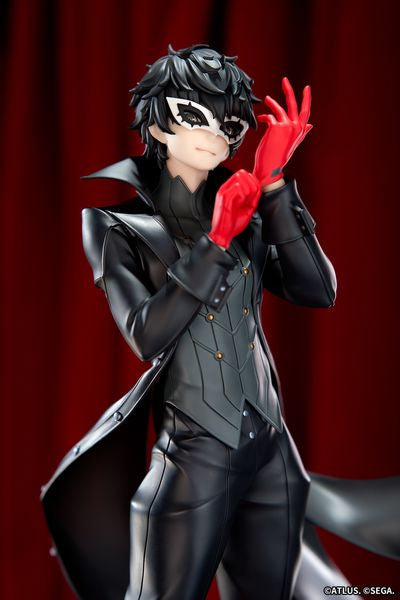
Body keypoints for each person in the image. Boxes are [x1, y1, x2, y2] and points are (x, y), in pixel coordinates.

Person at [41, 44, 337, 600]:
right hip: (195, 449)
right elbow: (146, 334)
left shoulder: (246, 208)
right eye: (194, 116)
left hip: (271, 450)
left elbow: (316, 291)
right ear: (157, 126)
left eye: (229, 124)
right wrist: (215, 241)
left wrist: (273, 186)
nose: (214, 135)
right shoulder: (115, 226)